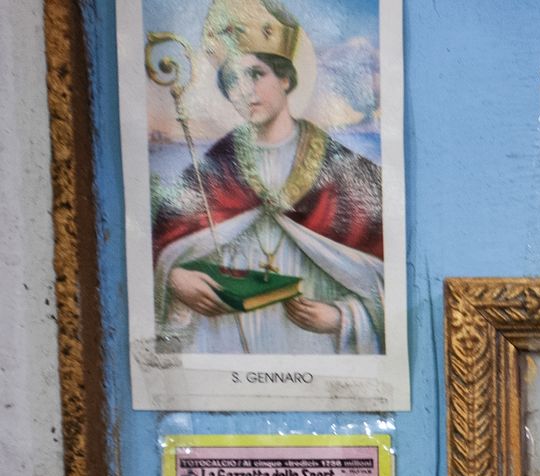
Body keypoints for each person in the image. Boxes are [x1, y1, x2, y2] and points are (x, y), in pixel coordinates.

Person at [152, 0, 386, 354]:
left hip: (313, 343)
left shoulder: (344, 168)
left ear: (286, 77)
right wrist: (175, 278)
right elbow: (161, 241)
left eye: (256, 74)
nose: (244, 90)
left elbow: (386, 281)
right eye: (231, 80)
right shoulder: (218, 166)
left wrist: (341, 317)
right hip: (223, 340)